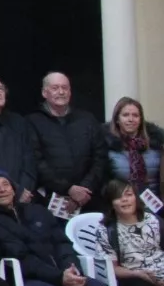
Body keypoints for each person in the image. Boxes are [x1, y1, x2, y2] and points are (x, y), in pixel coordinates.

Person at [28, 72, 109, 216]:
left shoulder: (87, 120)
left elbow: (100, 157)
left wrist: (85, 188)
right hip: (50, 201)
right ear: (44, 92)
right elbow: (36, 161)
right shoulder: (32, 122)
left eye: (65, 88)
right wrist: (68, 189)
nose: (61, 92)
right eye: (55, 88)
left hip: (89, 199)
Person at [105, 96, 164, 196]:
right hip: (123, 204)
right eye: (125, 115)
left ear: (141, 119)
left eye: (135, 115)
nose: (131, 119)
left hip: (155, 206)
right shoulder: (107, 147)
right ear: (117, 119)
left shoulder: (155, 146)